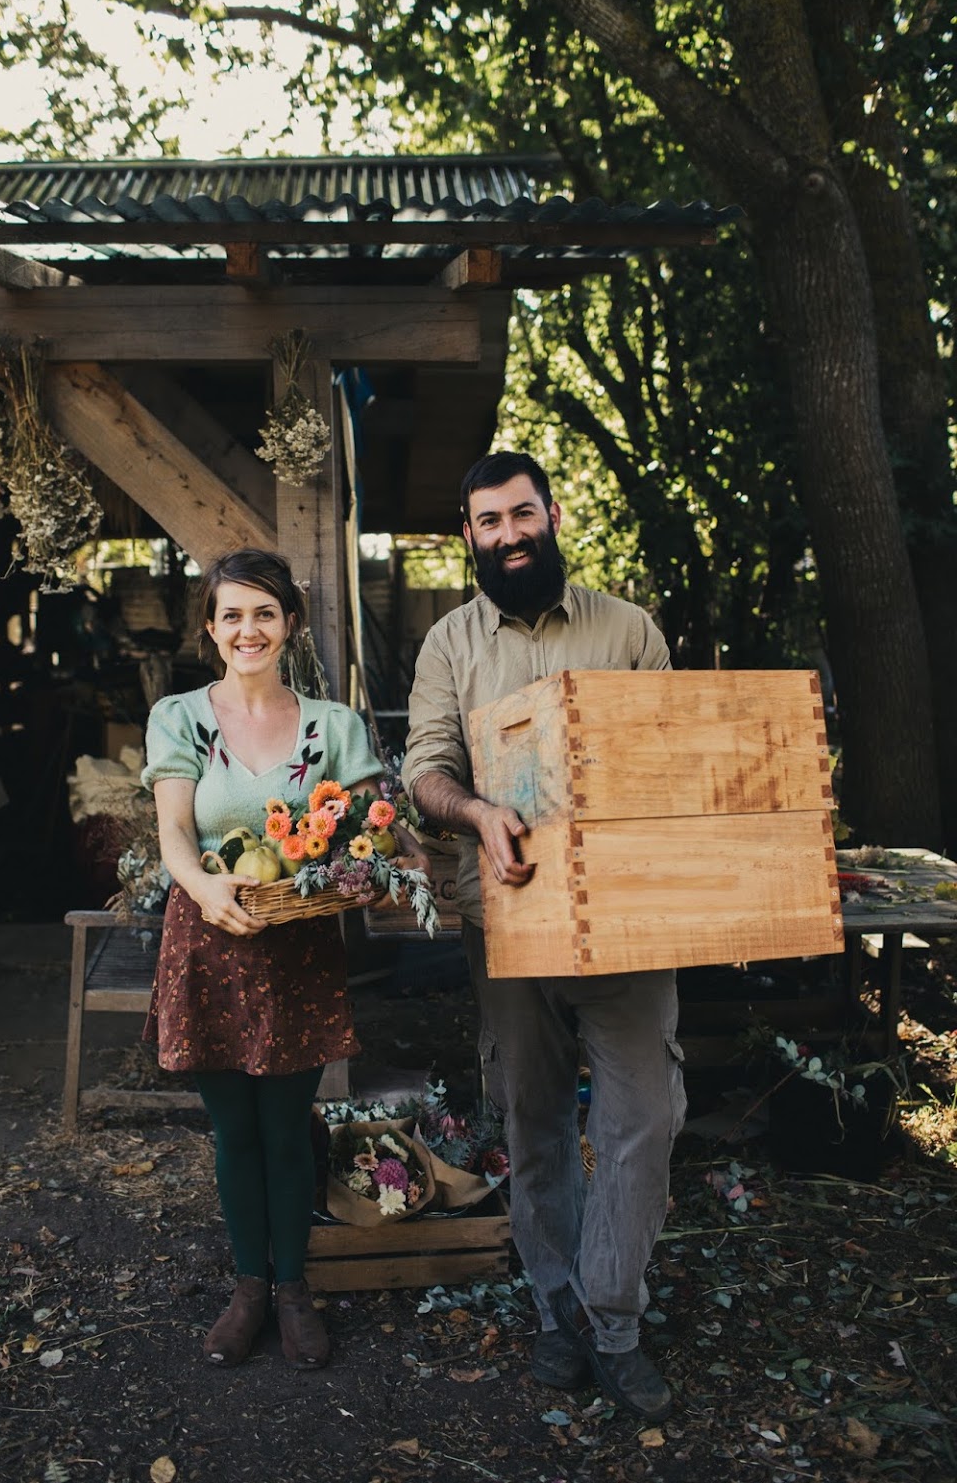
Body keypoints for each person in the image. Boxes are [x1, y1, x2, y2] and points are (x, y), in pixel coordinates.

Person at [402, 452, 686, 1421]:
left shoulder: (627, 627)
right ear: (469, 534)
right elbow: (425, 768)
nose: (510, 533)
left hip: (627, 925)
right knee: (532, 1122)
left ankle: (615, 1319)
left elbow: (673, 756)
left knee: (642, 1120)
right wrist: (478, 812)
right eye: (489, 521)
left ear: (551, 514)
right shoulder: (449, 642)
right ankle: (558, 1308)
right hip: (510, 921)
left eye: (523, 513)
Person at [142, 549, 383, 1371]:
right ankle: (248, 1286)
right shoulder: (179, 716)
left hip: (298, 947)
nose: (249, 628)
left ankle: (293, 1289)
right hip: (207, 938)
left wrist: (376, 866)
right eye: (233, 614)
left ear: (290, 625)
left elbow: (365, 837)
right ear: (211, 628)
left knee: (284, 1129)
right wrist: (202, 885)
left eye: (265, 613)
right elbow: (175, 830)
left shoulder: (336, 726)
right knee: (231, 1129)